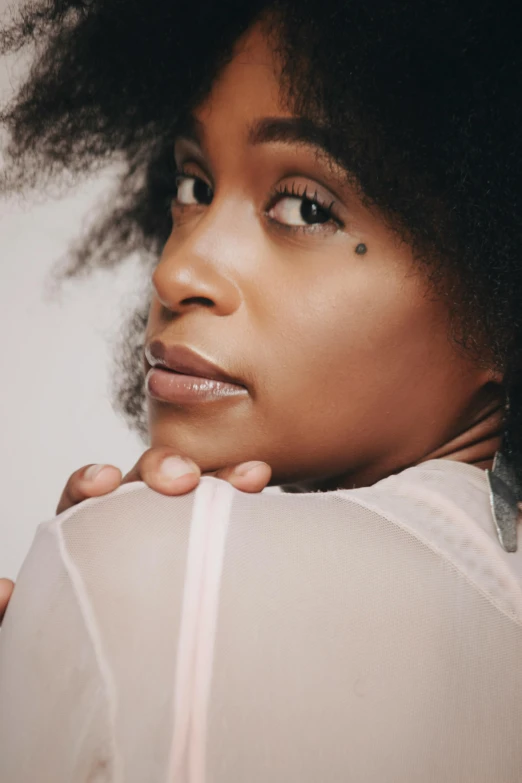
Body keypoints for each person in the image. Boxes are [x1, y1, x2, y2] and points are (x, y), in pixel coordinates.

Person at [1, 0, 522, 780]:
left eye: (305, 206)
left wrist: (103, 602)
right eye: (193, 184)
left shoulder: (150, 579)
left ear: (498, 293)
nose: (175, 272)